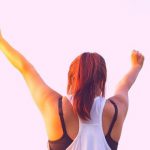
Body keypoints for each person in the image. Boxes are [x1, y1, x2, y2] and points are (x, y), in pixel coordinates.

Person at [0, 31, 144, 150]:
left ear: (72, 79)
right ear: (102, 81)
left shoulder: (55, 107)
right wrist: (136, 66)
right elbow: (124, 85)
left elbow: (26, 69)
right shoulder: (115, 111)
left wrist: (1, 41)